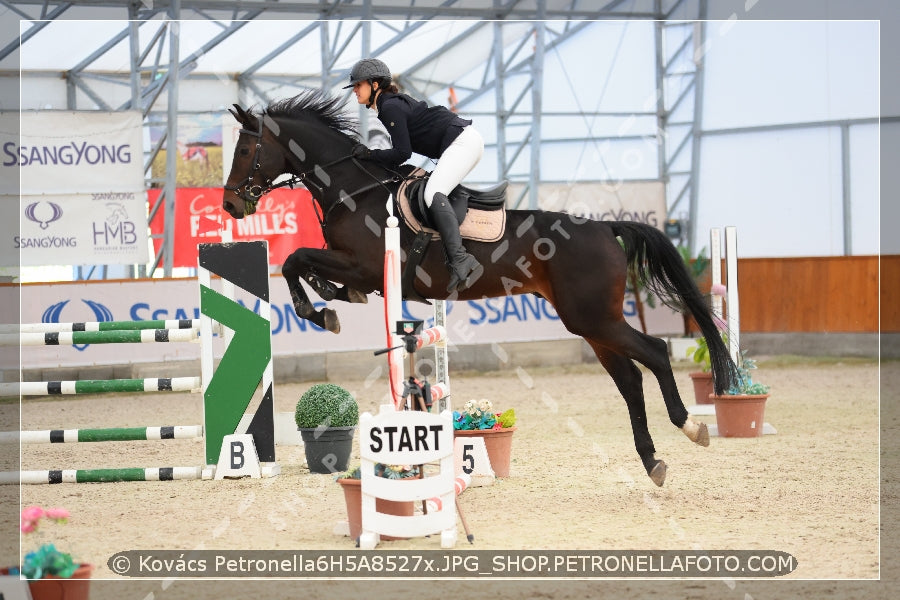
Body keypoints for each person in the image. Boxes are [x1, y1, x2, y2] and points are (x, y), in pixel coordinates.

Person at [344, 57, 483, 293]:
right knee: (432, 191)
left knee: (432, 194)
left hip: (462, 143)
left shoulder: (389, 107)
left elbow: (402, 153)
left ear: (375, 84)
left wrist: (369, 154)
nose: (355, 90)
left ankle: (461, 259)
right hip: (461, 142)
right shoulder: (388, 105)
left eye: (359, 85)